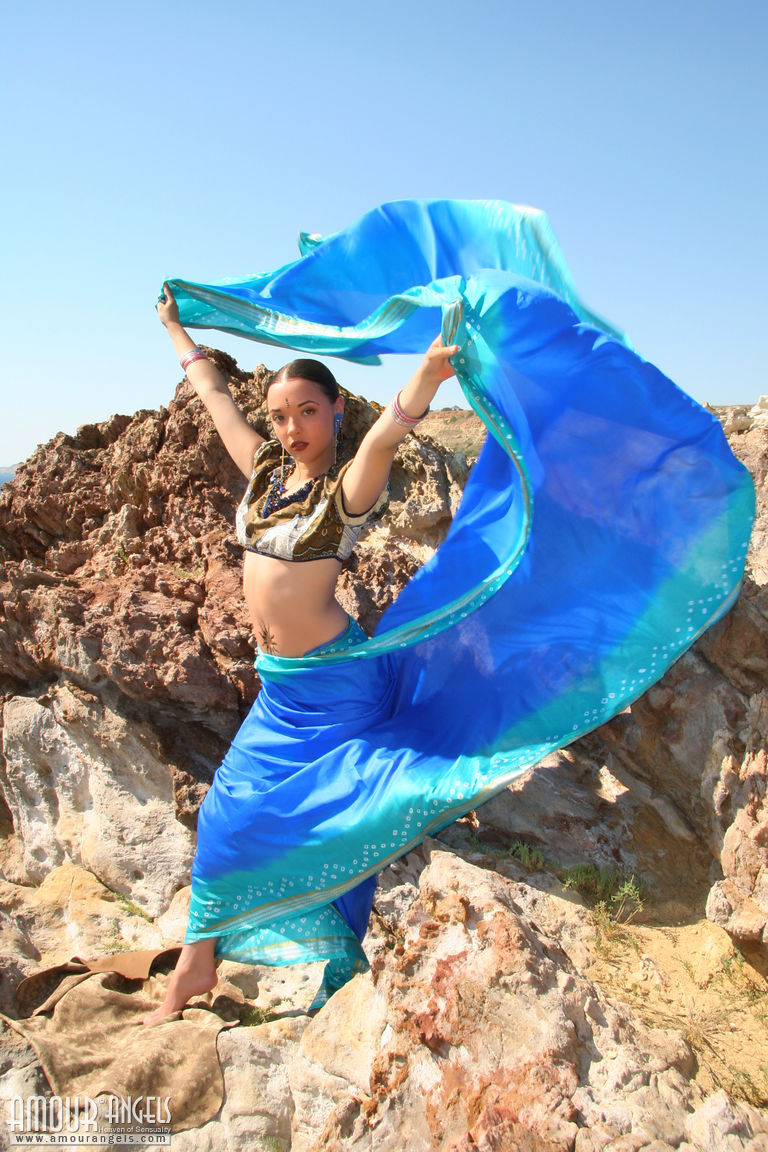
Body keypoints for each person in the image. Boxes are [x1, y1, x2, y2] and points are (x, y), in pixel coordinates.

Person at [144, 285, 458, 1023]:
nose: (292, 428)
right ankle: (196, 965)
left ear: (335, 410)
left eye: (308, 412)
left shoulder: (344, 493)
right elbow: (215, 397)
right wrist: (176, 331)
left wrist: (426, 375)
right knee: (222, 815)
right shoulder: (263, 472)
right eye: (282, 415)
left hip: (338, 687)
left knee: (332, 821)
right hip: (281, 686)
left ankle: (311, 960)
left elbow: (385, 438)